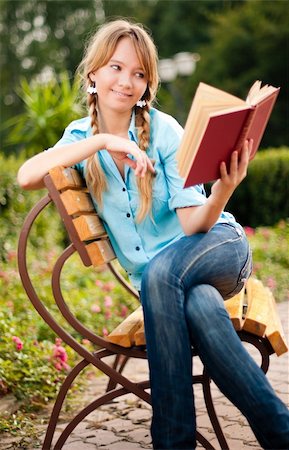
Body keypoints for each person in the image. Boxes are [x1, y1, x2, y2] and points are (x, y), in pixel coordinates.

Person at [17, 19, 289, 450]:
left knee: (161, 273)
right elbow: (27, 175)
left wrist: (223, 189)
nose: (127, 82)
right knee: (197, 304)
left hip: (218, 246)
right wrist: (104, 141)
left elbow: (192, 226)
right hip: (175, 285)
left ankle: (172, 442)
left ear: (148, 85)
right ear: (93, 74)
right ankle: (281, 433)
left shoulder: (165, 132)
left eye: (139, 74)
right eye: (116, 68)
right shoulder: (79, 138)